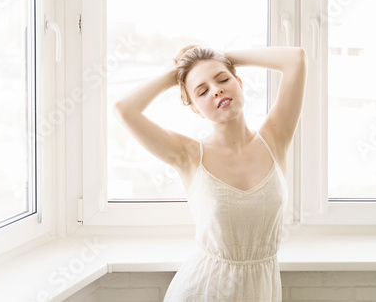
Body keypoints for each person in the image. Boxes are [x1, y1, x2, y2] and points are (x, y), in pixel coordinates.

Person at [113, 45, 307, 301]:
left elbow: (296, 59)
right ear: (195, 109)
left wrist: (223, 56)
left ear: (239, 83)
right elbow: (124, 109)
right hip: (201, 291)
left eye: (223, 79)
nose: (216, 90)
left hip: (261, 289)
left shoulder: (275, 137)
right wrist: (177, 74)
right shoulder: (188, 155)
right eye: (202, 92)